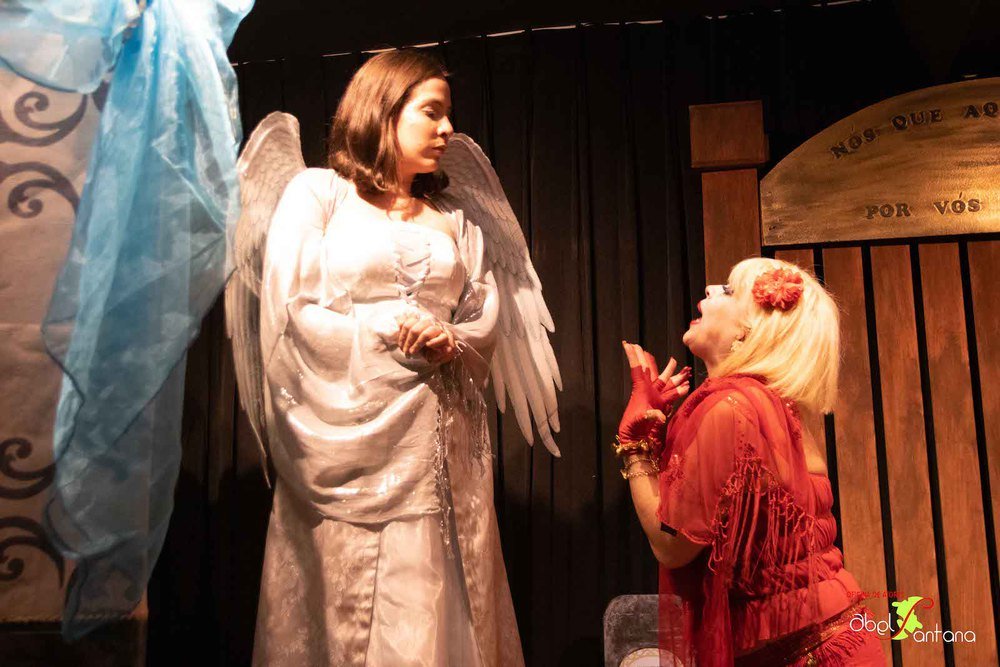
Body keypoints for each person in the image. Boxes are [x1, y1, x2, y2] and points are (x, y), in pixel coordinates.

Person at [237, 49, 560, 667]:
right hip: (341, 430)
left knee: (427, 592)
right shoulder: (319, 194)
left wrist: (451, 339)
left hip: (435, 438)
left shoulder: (455, 220)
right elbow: (290, 310)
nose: (447, 130)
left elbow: (483, 315)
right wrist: (384, 327)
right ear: (383, 111)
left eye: (448, 114)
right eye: (431, 112)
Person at [616, 258, 885, 666]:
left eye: (728, 290)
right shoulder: (772, 404)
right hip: (825, 643)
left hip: (810, 653)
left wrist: (635, 446)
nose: (709, 289)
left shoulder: (732, 407)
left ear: (747, 329)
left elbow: (671, 546)